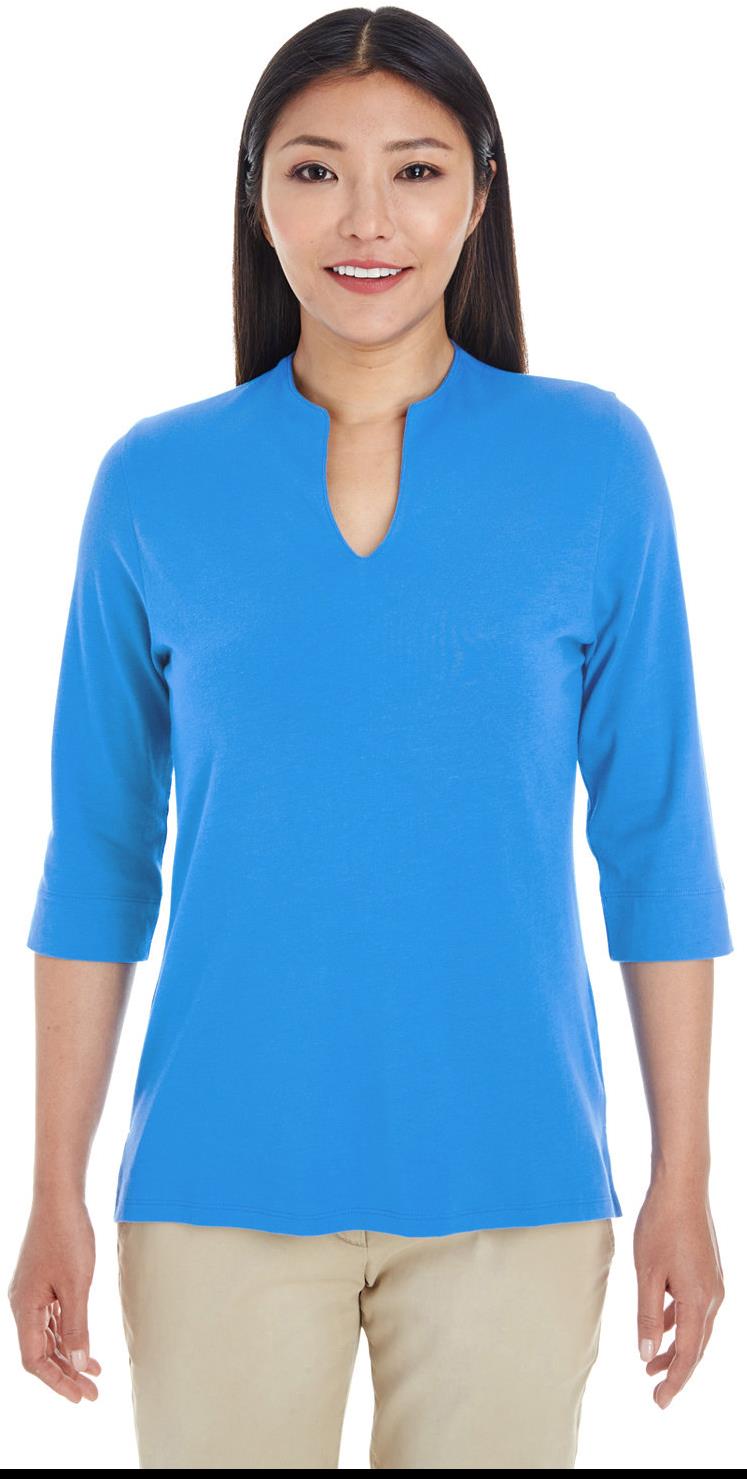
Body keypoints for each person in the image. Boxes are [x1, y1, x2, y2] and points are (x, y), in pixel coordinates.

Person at [9, 5, 734, 1469]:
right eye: (314, 170)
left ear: (479, 191)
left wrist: (684, 1180)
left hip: (517, 1185)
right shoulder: (154, 483)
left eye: (413, 171)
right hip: (213, 1185)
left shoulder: (594, 463)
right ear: (257, 194)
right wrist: (53, 1192)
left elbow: (659, 842)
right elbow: (98, 857)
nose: (365, 220)